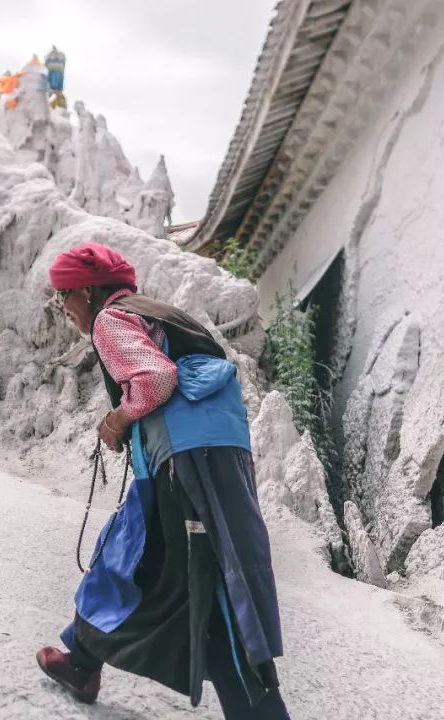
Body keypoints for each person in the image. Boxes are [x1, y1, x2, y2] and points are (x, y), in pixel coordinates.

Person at [37, 242, 290, 719]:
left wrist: (116, 421)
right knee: (127, 556)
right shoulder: (162, 315)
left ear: (88, 291)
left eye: (64, 296)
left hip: (187, 465)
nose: (64, 308)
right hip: (206, 459)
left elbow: (154, 380)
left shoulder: (108, 320)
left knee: (211, 589)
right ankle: (83, 661)